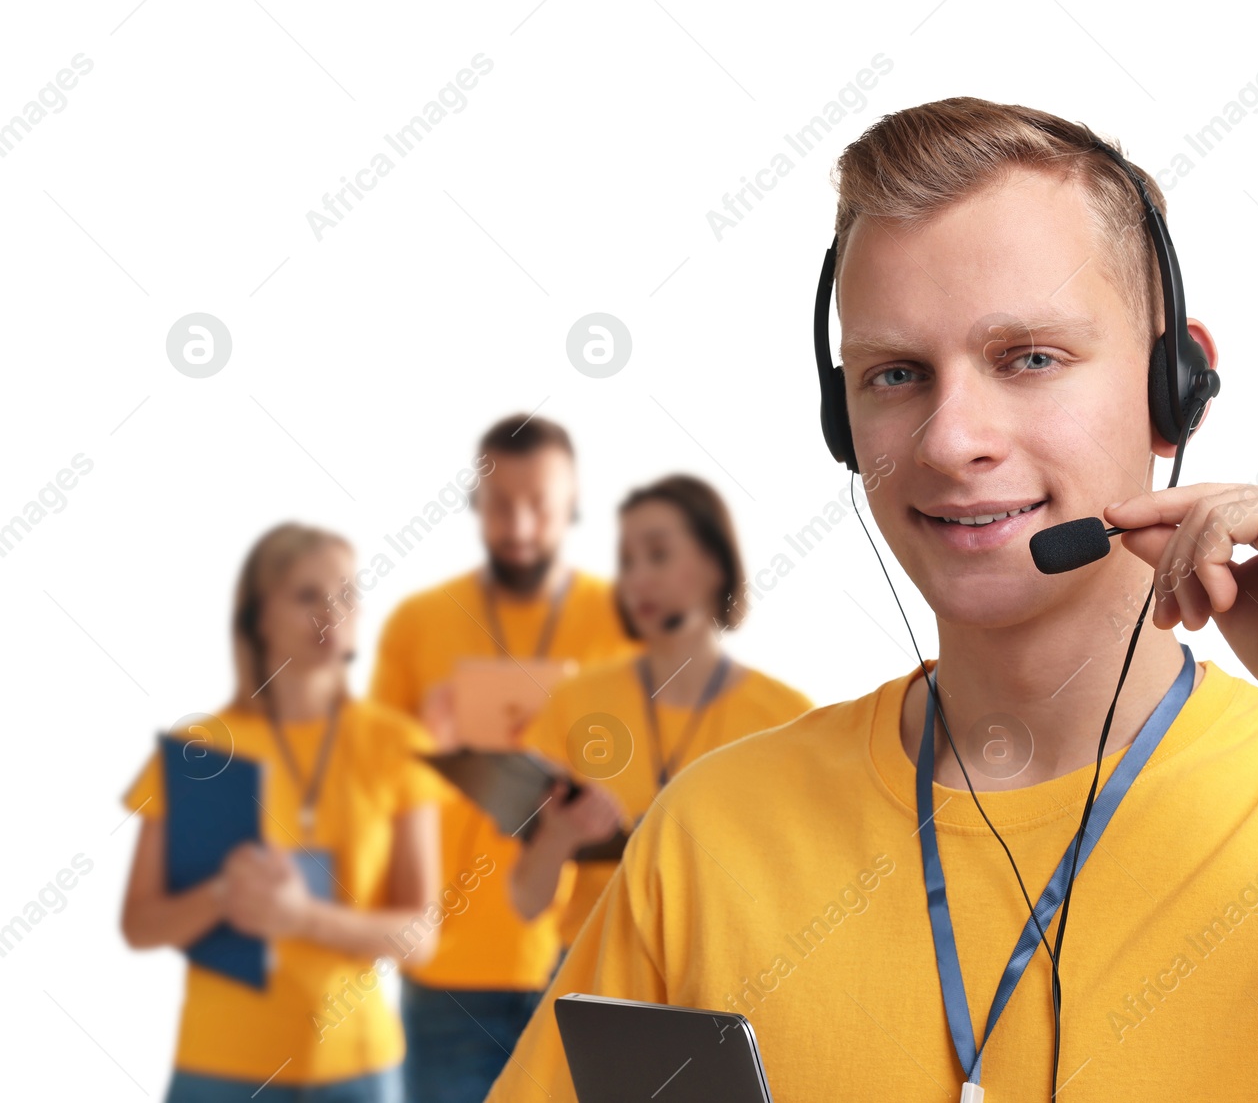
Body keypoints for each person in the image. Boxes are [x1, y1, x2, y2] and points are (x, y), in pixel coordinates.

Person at [483, 98, 1258, 1101]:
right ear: (843, 420)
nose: (952, 439)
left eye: (1027, 357)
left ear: (1177, 389)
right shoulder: (709, 834)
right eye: (894, 374)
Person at [120, 523, 443, 1103]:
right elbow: (140, 924)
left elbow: (420, 937)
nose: (331, 612)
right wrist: (224, 894)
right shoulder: (200, 749)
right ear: (257, 617)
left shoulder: (398, 744)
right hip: (219, 1066)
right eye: (305, 595)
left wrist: (299, 917)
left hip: (356, 1065)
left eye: (346, 593)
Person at [367, 414, 637, 1103]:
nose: (519, 526)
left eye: (539, 505)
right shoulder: (417, 623)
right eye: (500, 506)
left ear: (573, 503)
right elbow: (368, 797)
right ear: (475, 506)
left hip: (585, 964)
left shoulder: (625, 618)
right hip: (451, 968)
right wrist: (423, 739)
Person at [508, 474, 813, 935]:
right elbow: (526, 903)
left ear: (716, 563)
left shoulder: (788, 718)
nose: (637, 579)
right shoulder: (576, 701)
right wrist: (562, 835)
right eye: (627, 561)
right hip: (594, 979)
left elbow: (802, 887)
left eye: (657, 554)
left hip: (722, 979)